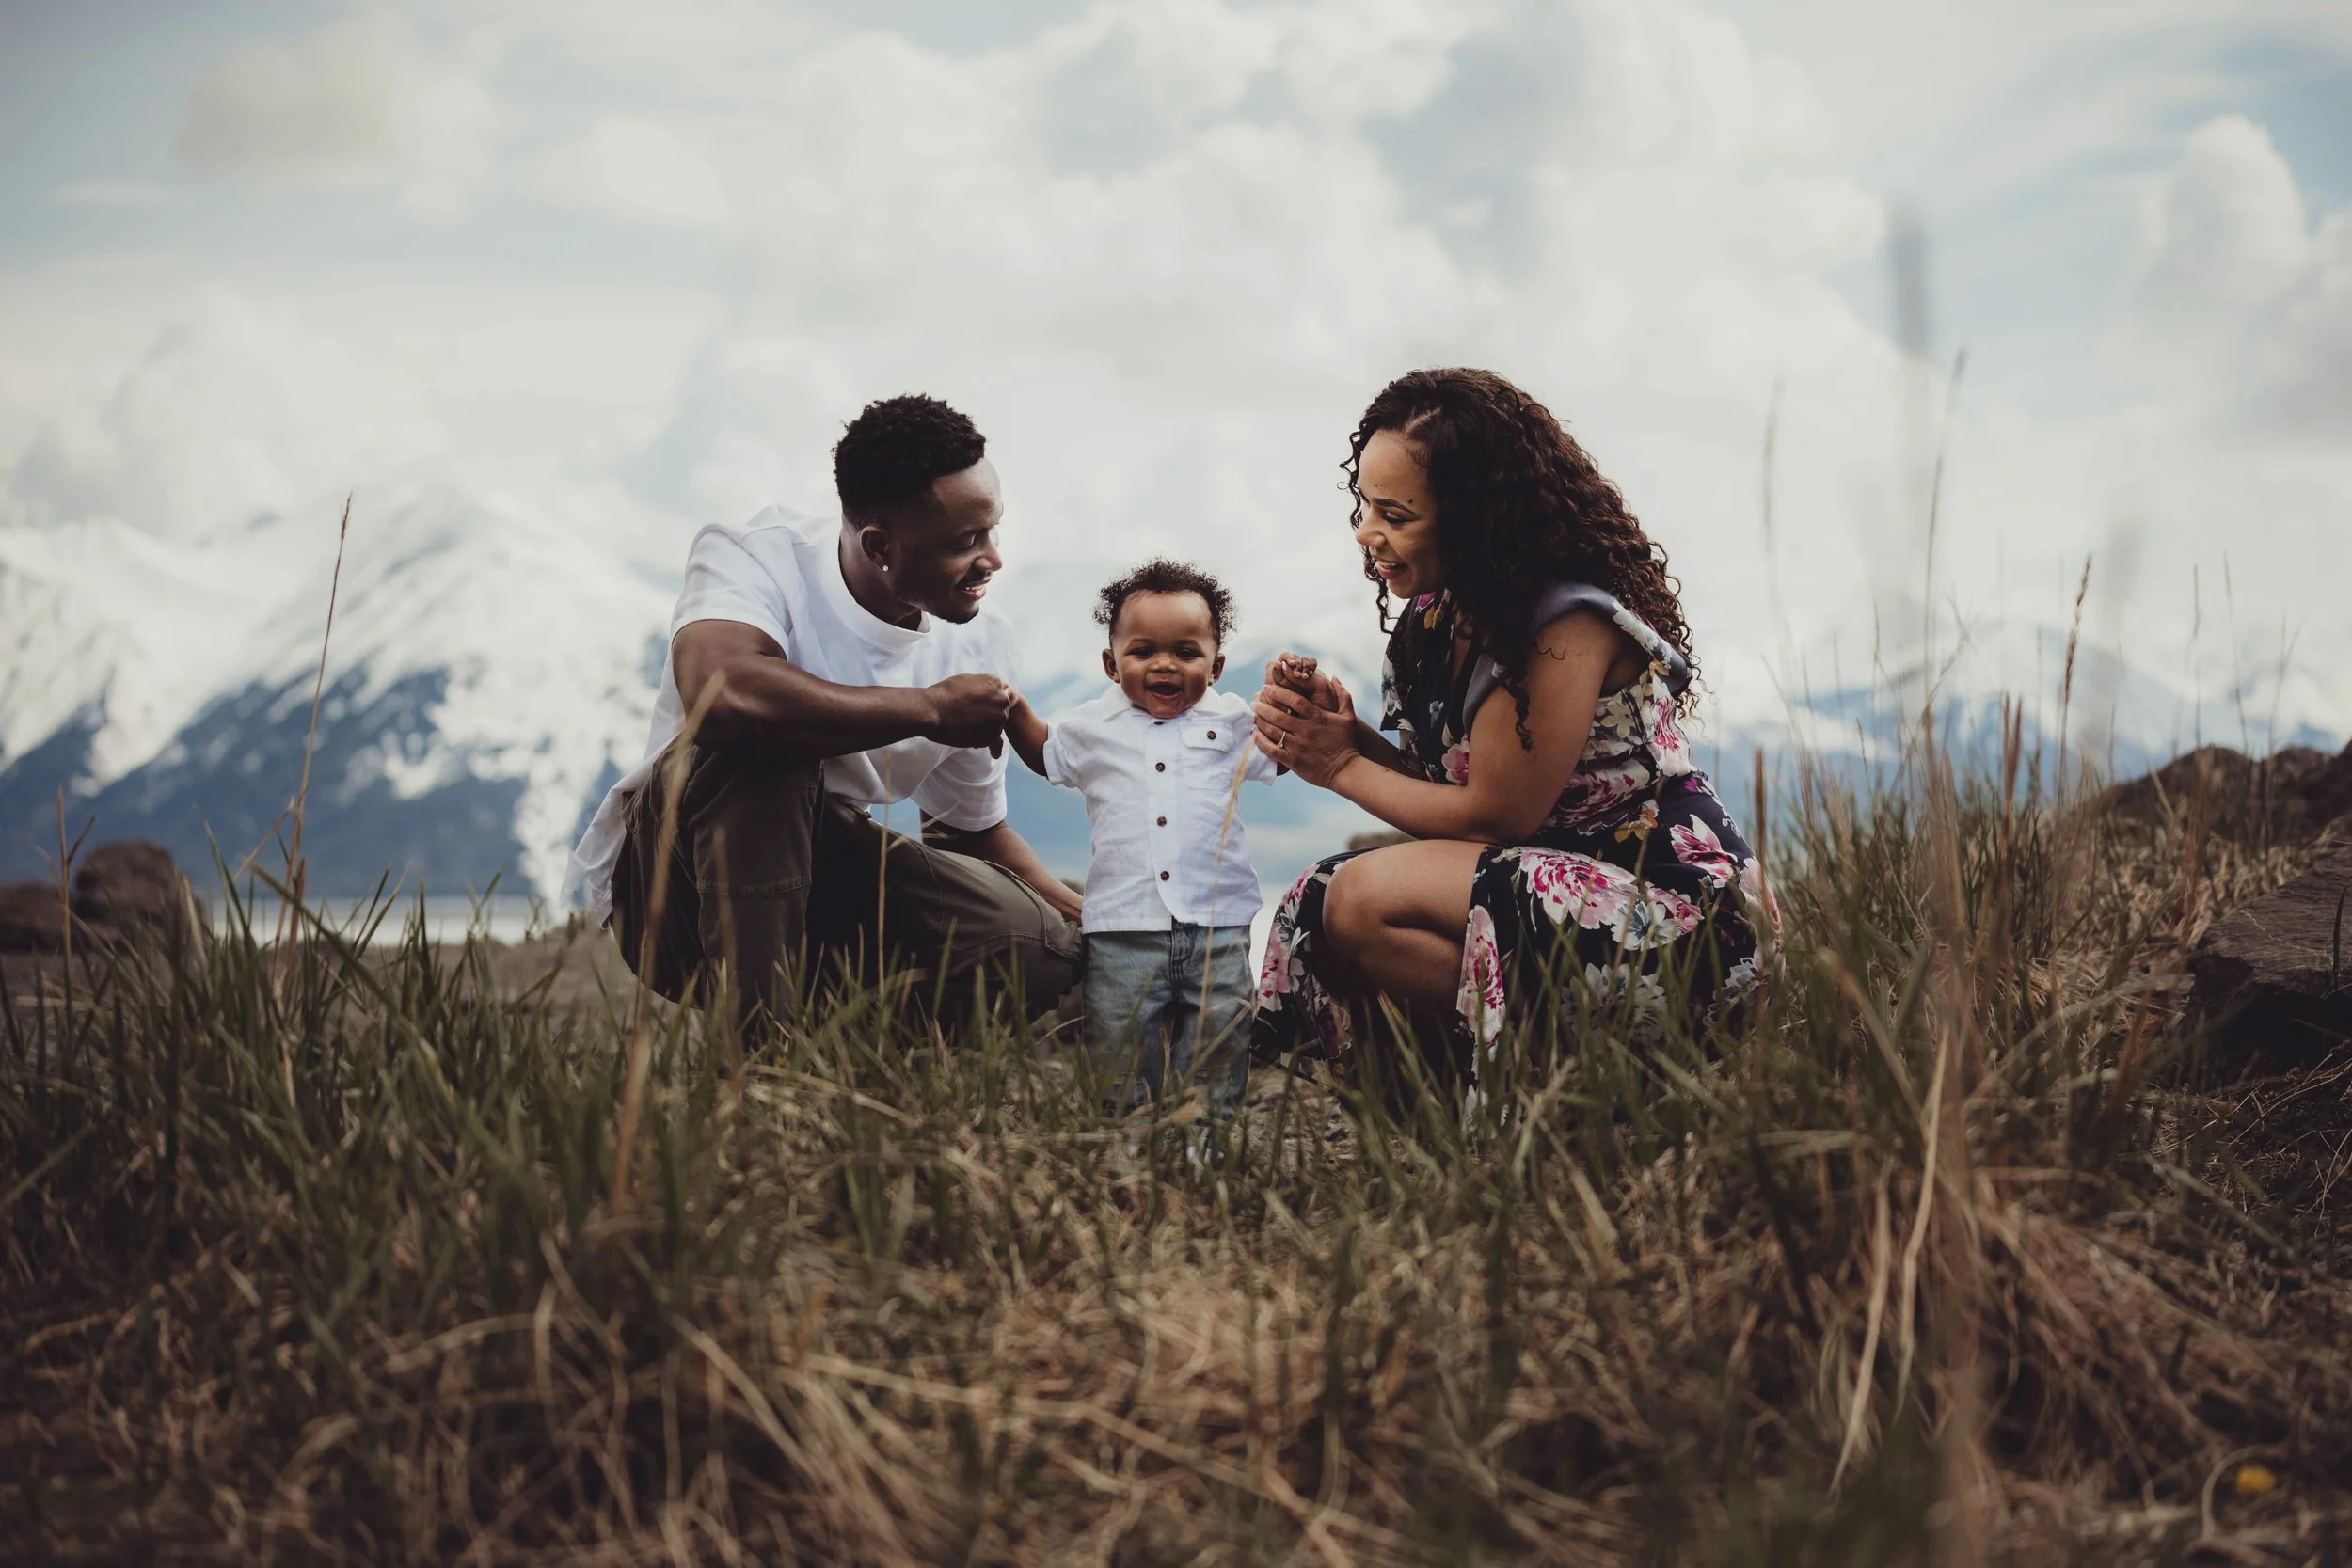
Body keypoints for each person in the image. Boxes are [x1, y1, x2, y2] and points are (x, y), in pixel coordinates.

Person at [1248, 368, 1771, 1071]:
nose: (1366, 533)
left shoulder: (1565, 623)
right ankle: (1452, 1083)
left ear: (1475, 517)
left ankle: (1562, 1081)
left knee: (1363, 899)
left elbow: (1495, 816)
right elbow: (1453, 795)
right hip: (1549, 888)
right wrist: (1349, 739)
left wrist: (1339, 768)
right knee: (1317, 896)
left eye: (1396, 516)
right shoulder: (1438, 615)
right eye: (1364, 505)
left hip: (1667, 910)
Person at [567, 394, 1083, 1039]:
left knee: (1043, 945)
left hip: (827, 887)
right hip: (673, 893)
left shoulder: (981, 640)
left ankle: (835, 1036)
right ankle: (760, 1058)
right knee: (765, 751)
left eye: (993, 530)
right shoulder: (756, 556)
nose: (993, 559)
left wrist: (1080, 916)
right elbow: (722, 695)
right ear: (881, 546)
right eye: (966, 541)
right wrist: (927, 710)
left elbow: (966, 832)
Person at [1005, 560, 1276, 1117]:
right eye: (1143, 651)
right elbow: (1045, 753)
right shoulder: (1091, 727)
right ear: (1111, 662)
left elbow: (1285, 753)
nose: (1164, 665)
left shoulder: (1230, 723)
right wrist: (1011, 712)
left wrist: (1300, 696)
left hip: (1217, 924)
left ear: (1216, 664)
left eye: (1186, 652)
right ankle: (1124, 1138)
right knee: (1119, 1045)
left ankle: (1204, 1139)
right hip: (1124, 927)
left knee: (1218, 1040)